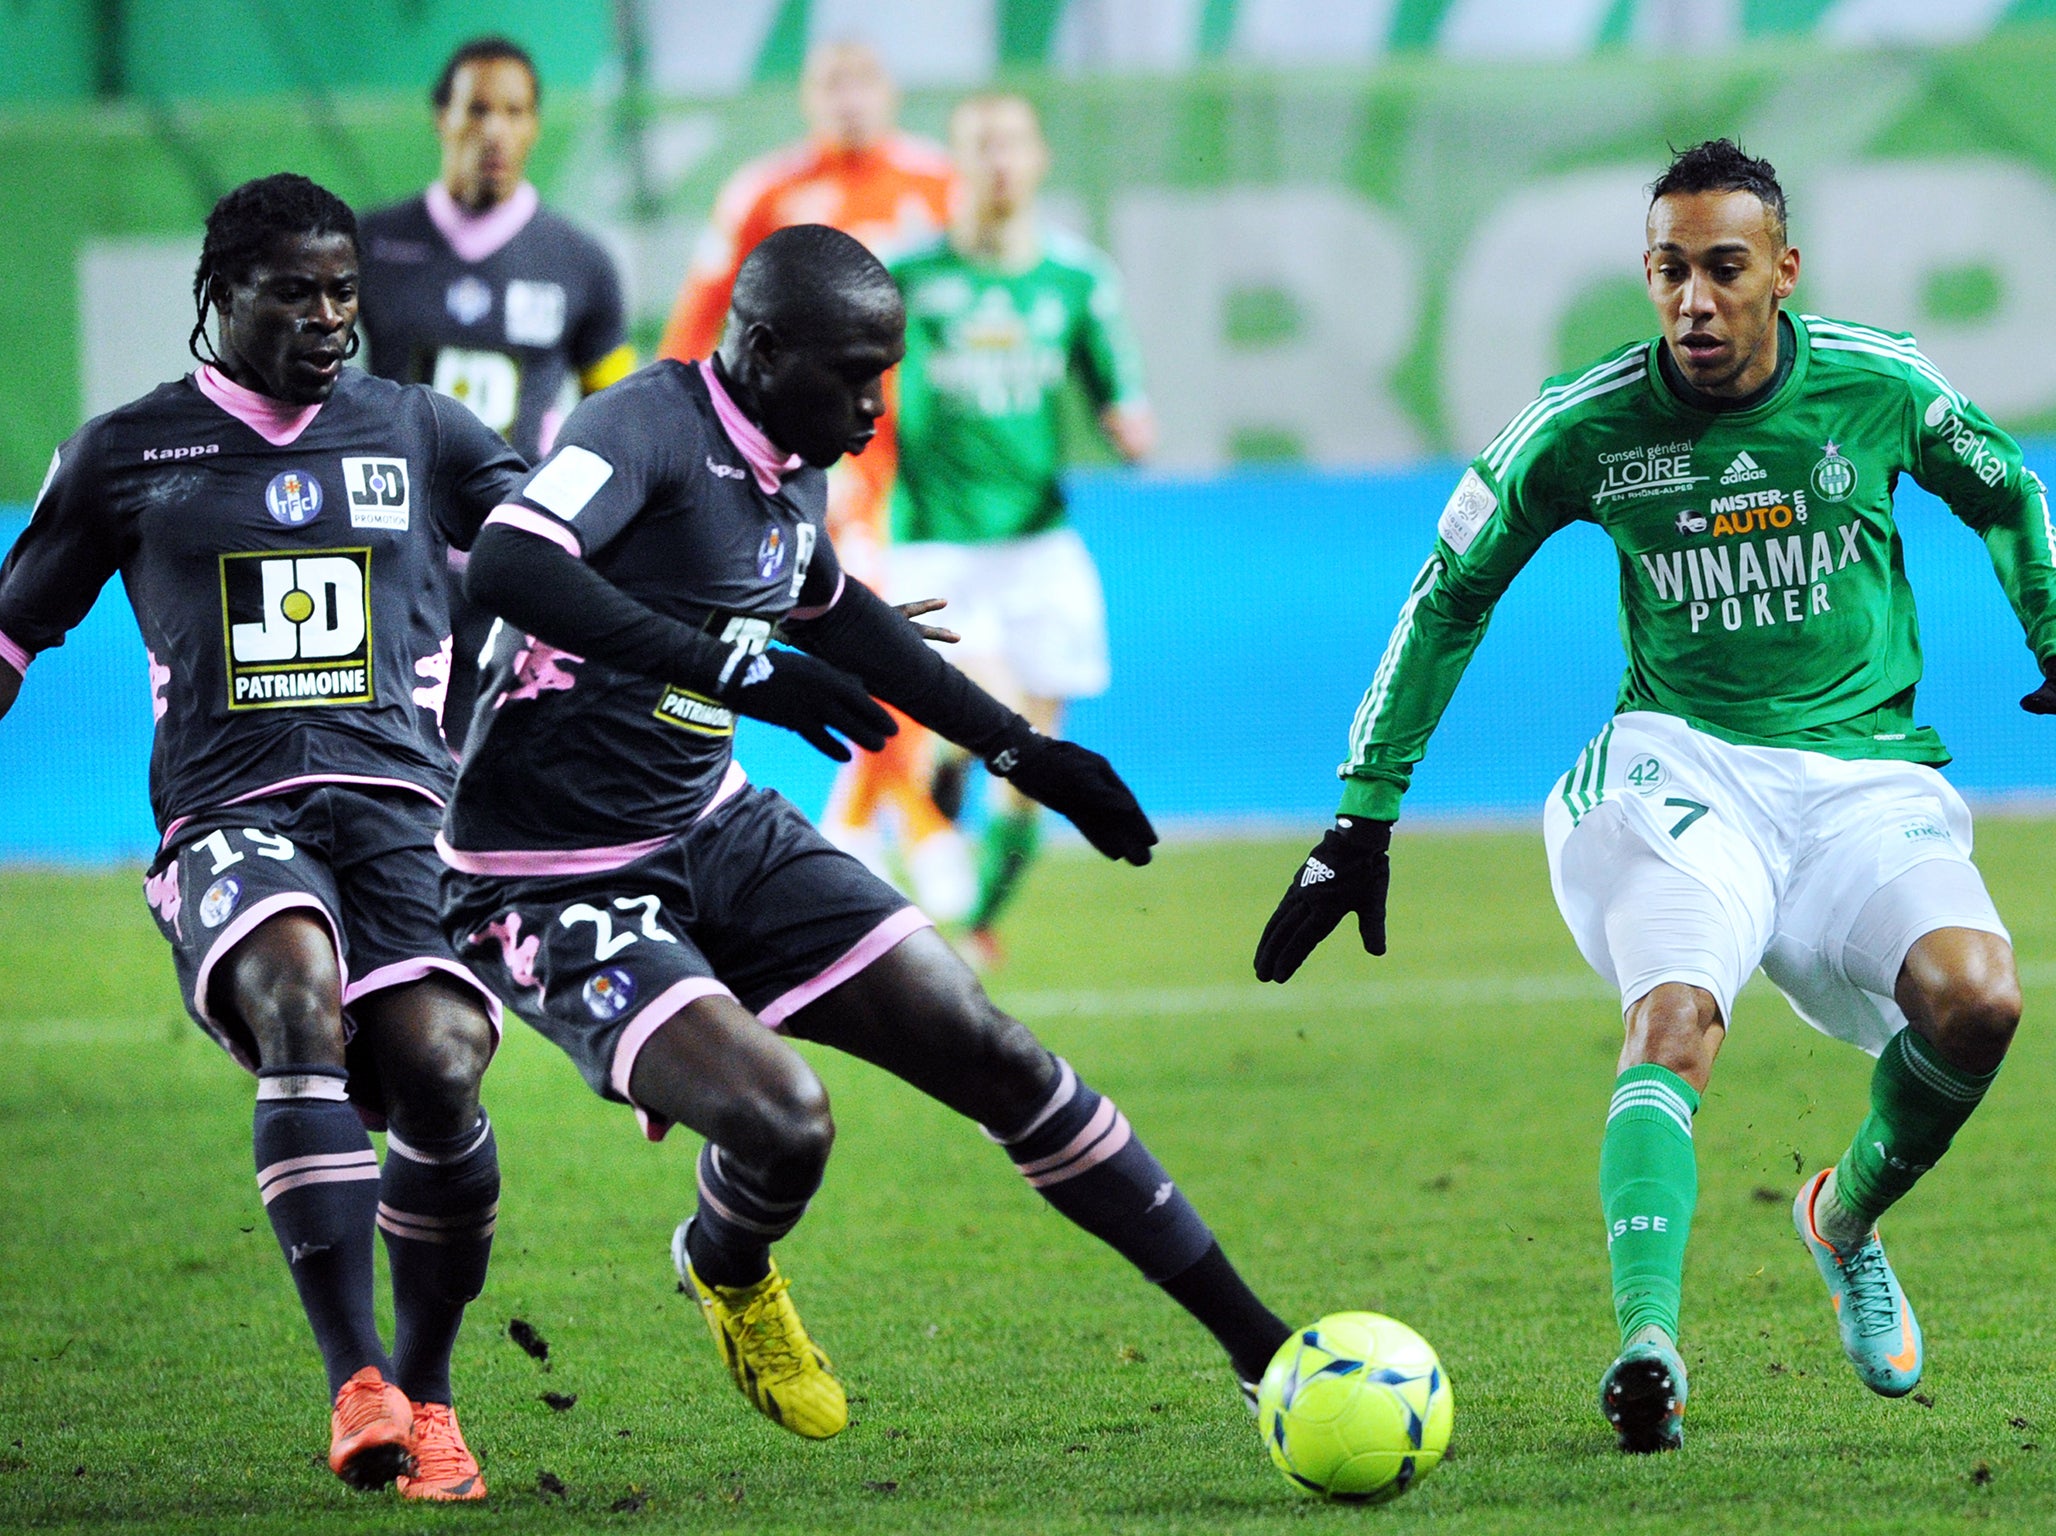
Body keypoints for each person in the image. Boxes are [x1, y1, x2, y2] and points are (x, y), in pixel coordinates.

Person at [1252, 140, 2056, 1454]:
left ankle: (1840, 1216)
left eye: (1724, 269)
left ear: (1782, 273)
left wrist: (2053, 627)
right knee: (1675, 1018)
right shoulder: (1586, 425)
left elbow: (2009, 487)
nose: (1693, 298)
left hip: (1862, 774)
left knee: (1980, 1004)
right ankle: (1648, 1349)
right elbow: (1450, 589)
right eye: (1669, 270)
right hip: (1683, 766)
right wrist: (1362, 811)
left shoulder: (1880, 384)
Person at [440, 223, 1290, 1441]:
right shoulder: (642, 427)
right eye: (852, 373)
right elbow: (514, 559)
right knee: (787, 1123)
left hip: (711, 824)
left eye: (884, 372)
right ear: (760, 345)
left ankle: (1265, 1352)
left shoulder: (792, 457)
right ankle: (729, 1268)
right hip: (550, 875)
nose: (874, 404)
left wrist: (1021, 751)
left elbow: (832, 609)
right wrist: (727, 664)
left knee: (991, 1048)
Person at [0, 174, 527, 1499]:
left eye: (344, 290)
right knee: (301, 996)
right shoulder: (130, 455)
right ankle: (355, 1382)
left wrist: (787, 613)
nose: (328, 317)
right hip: (231, 818)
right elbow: (12, 632)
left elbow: (563, 555)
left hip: (405, 819)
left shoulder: (421, 434)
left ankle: (430, 1393)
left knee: (443, 1068)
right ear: (216, 298)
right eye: (293, 292)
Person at [658, 40, 964, 914]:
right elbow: (696, 321)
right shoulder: (765, 192)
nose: (848, 100)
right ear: (805, 97)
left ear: (892, 90)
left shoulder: (939, 186)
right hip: (828, 460)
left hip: (936, 470)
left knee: (932, 653)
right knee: (874, 636)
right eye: (830, 84)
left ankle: (856, 834)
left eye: (862, 80)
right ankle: (925, 838)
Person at [886, 92, 1156, 968]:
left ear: (1038, 159)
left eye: (1013, 144)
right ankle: (945, 784)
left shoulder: (1076, 279)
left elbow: (1117, 382)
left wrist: (1127, 421)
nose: (999, 161)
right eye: (980, 145)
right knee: (997, 711)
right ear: (955, 164)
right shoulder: (906, 273)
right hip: (935, 541)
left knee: (1036, 763)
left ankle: (978, 922)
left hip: (1039, 544)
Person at [359, 35, 634, 746]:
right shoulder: (371, 247)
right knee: (391, 758)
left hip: (516, 552)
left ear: (536, 125)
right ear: (440, 117)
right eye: (477, 109)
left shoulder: (580, 262)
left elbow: (622, 420)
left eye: (514, 112)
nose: (495, 131)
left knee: (501, 764)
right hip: (394, 551)